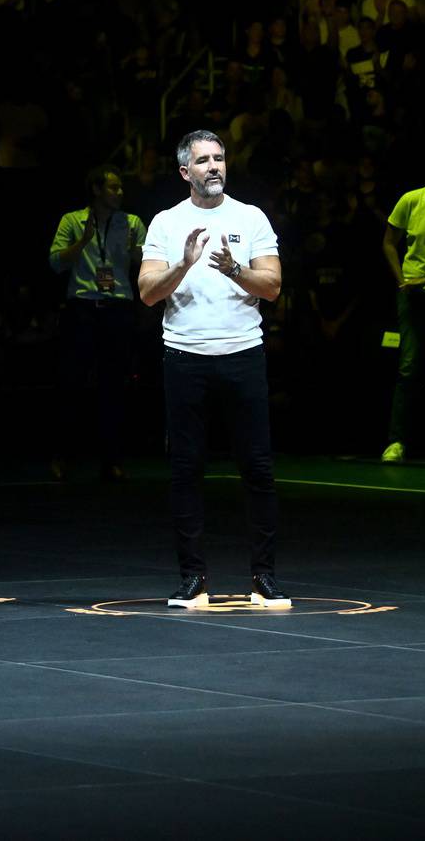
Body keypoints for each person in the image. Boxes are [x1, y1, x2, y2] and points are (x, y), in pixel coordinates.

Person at [138, 130, 288, 610]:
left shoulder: (251, 217)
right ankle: (193, 579)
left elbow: (273, 287)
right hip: (185, 356)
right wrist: (184, 264)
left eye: (219, 158)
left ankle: (263, 577)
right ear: (185, 171)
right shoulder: (165, 222)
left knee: (258, 468)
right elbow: (147, 292)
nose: (214, 167)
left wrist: (234, 270)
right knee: (186, 470)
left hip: (243, 353)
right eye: (203, 161)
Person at [47, 165, 146, 480]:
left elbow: (147, 263)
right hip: (83, 308)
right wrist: (83, 242)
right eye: (113, 188)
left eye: (119, 188)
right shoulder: (72, 221)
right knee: (71, 383)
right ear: (96, 190)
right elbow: (55, 263)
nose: (119, 193)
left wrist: (135, 253)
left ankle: (112, 459)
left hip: (118, 308)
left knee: (114, 385)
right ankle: (63, 456)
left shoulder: (131, 223)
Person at [380, 147, 425, 462]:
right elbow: (389, 242)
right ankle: (397, 441)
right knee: (409, 367)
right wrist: (402, 279)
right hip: (414, 295)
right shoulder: (411, 200)